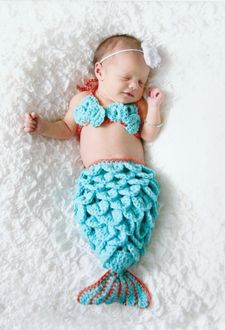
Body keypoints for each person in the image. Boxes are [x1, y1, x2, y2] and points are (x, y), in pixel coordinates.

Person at [23, 34, 165, 308]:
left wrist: (155, 106)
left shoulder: (138, 105)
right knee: (97, 217)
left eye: (142, 81)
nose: (134, 86)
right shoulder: (82, 101)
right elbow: (65, 129)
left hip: (132, 176)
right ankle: (112, 270)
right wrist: (42, 127)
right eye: (127, 78)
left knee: (133, 216)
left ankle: (123, 271)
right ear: (100, 71)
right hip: (96, 179)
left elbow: (149, 134)